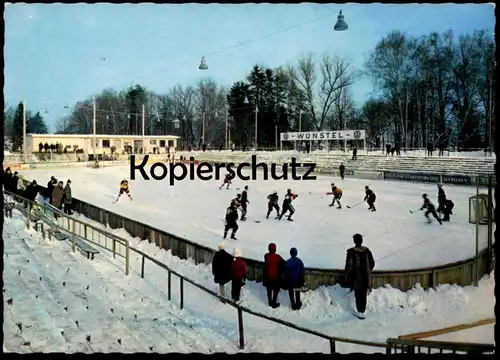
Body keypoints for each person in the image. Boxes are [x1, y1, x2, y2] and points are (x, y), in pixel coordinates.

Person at [345, 234, 375, 319]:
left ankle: (359, 311)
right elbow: (372, 263)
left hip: (356, 277)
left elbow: (348, 266)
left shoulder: (351, 252)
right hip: (365, 276)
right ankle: (363, 311)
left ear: (354, 241)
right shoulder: (367, 251)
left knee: (358, 294)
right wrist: (368, 270)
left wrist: (348, 276)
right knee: (363, 294)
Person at [263, 243, 285, 309]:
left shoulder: (266, 256)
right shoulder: (278, 257)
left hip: (267, 277)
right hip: (275, 278)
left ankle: (270, 302)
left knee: (268, 290)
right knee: (276, 290)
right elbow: (284, 263)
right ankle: (274, 302)